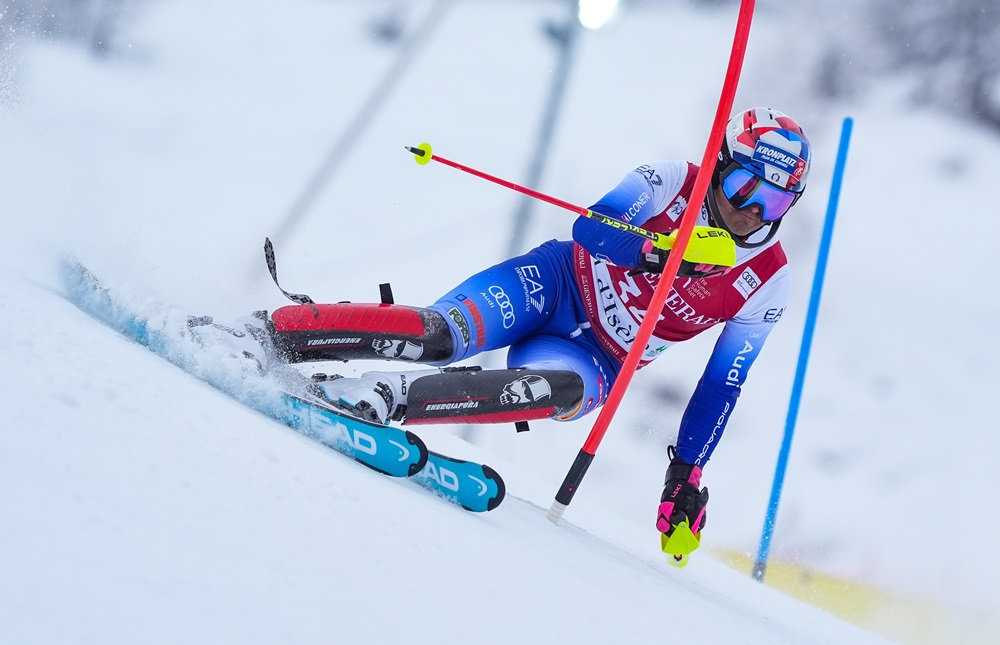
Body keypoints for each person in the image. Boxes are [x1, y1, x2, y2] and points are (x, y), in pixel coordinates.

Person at [198, 107, 811, 547]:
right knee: (438, 336)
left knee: (557, 394)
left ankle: (383, 397)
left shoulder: (769, 280)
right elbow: (592, 228)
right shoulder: (673, 180)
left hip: (596, 358)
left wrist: (687, 473)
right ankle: (272, 330)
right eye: (741, 185)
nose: (750, 210)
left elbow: (721, 385)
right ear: (721, 166)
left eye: (774, 202)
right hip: (555, 284)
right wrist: (659, 252)